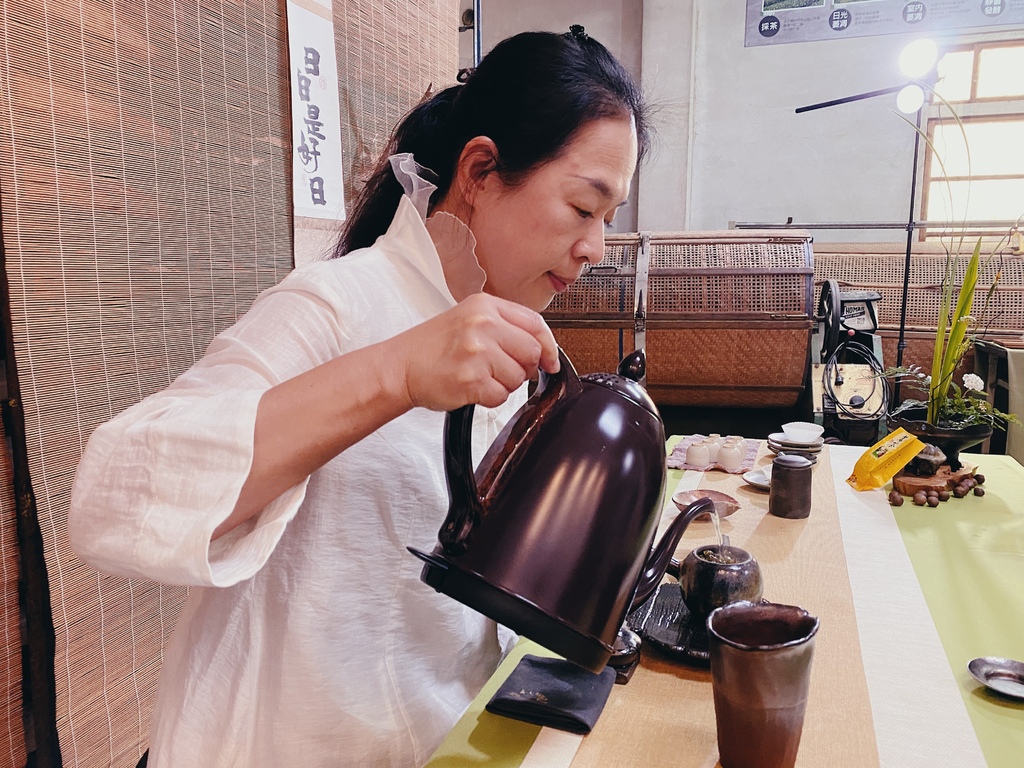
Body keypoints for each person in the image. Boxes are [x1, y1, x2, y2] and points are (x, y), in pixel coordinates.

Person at [69, 25, 649, 768]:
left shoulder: (513, 344)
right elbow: (115, 497)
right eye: (582, 207)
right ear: (479, 171)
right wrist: (395, 374)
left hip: (446, 740)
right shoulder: (335, 305)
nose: (598, 246)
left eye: (610, 217)